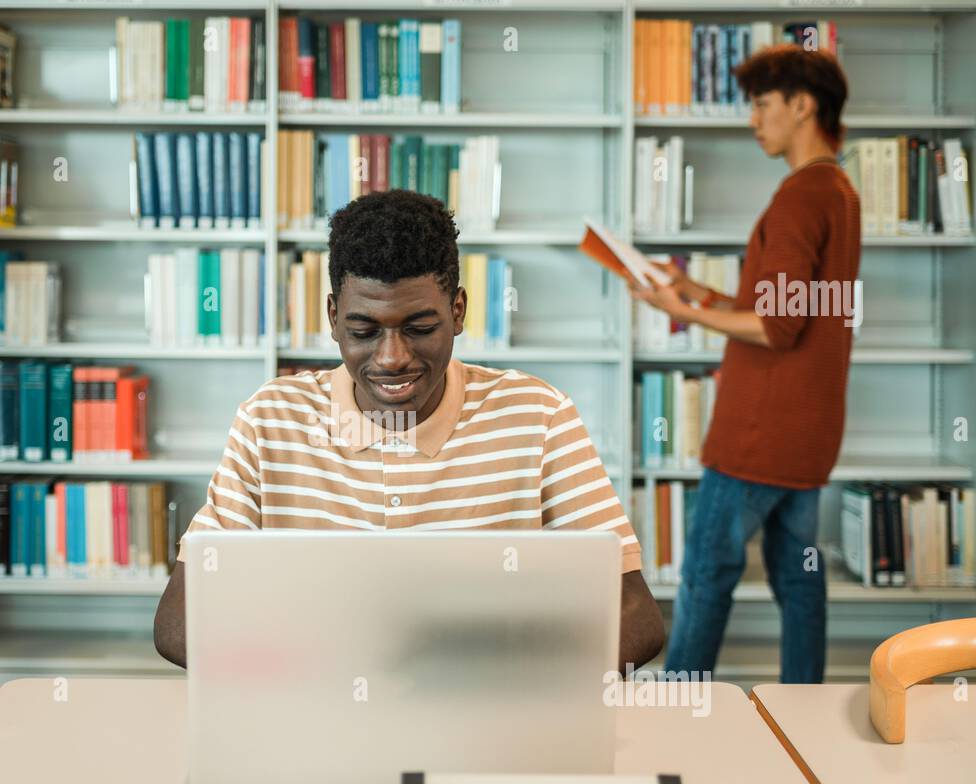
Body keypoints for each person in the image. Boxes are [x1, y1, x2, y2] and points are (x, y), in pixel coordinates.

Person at [155, 189, 664, 669]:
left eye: (420, 329)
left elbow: (637, 618)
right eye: (363, 331)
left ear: (458, 311)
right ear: (333, 318)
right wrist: (319, 674)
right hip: (315, 716)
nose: (392, 359)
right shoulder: (269, 419)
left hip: (483, 719)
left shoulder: (538, 415)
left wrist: (496, 679)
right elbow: (179, 623)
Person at [629, 44, 861, 683]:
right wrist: (694, 293)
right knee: (799, 580)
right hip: (808, 436)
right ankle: (803, 711)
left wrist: (684, 312)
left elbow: (774, 328)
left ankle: (679, 710)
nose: (754, 120)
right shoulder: (838, 191)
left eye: (762, 105)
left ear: (802, 104)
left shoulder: (797, 197)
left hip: (756, 435)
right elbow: (793, 309)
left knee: (707, 574)